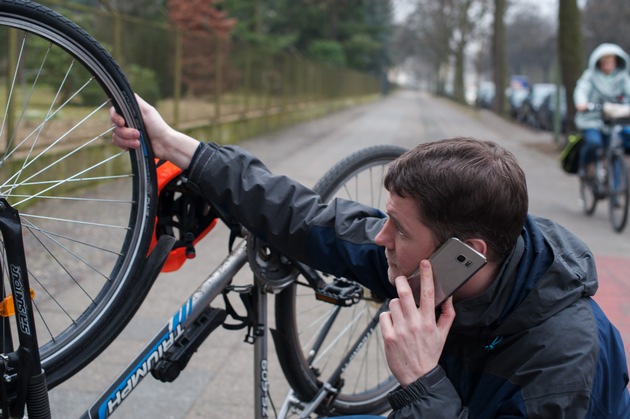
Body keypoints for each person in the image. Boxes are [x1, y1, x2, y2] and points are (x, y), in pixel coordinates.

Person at [111, 97, 630, 418]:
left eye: (399, 228)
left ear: (466, 254)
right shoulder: (440, 266)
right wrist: (176, 144)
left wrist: (423, 384)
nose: (379, 239)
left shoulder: (565, 367)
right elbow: (306, 215)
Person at [574, 43, 630, 178]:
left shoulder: (622, 77)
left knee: (615, 151)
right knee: (594, 142)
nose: (608, 66)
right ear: (599, 63)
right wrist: (582, 103)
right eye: (605, 63)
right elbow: (581, 89)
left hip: (613, 120)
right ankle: (584, 165)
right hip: (592, 118)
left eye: (611, 63)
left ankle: (616, 193)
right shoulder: (590, 76)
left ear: (616, 63)